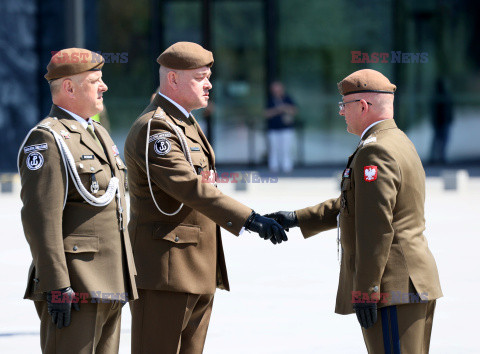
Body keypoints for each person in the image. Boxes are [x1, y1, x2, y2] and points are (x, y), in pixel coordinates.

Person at [124, 41, 287, 354]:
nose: (209, 83)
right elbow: (190, 187)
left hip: (195, 269)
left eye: (208, 75)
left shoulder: (184, 122)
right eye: (200, 77)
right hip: (165, 272)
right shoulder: (156, 128)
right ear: (173, 79)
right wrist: (250, 219)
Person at [266, 69, 442, 353]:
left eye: (343, 106)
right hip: (409, 283)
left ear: (362, 106)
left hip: (392, 287)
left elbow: (376, 227)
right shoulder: (396, 140)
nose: (340, 113)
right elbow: (358, 204)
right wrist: (297, 218)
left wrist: (366, 291)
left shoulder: (375, 151)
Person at [17, 48, 138, 353]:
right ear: (69, 87)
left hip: (111, 281)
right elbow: (40, 220)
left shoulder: (97, 132)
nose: (104, 86)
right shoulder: (47, 139)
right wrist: (57, 286)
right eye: (95, 80)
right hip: (75, 285)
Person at [264, 81, 297, 173]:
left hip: (286, 128)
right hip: (273, 129)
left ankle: (287, 166)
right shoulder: (270, 100)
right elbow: (266, 114)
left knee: (286, 149)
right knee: (274, 149)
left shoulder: (287, 98)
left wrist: (284, 108)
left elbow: (294, 111)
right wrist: (277, 110)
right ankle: (274, 166)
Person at [429, 78, 454, 165]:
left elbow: (449, 109)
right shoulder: (440, 95)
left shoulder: (444, 95)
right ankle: (436, 157)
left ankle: (438, 157)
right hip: (440, 121)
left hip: (443, 121)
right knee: (439, 140)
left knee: (440, 140)